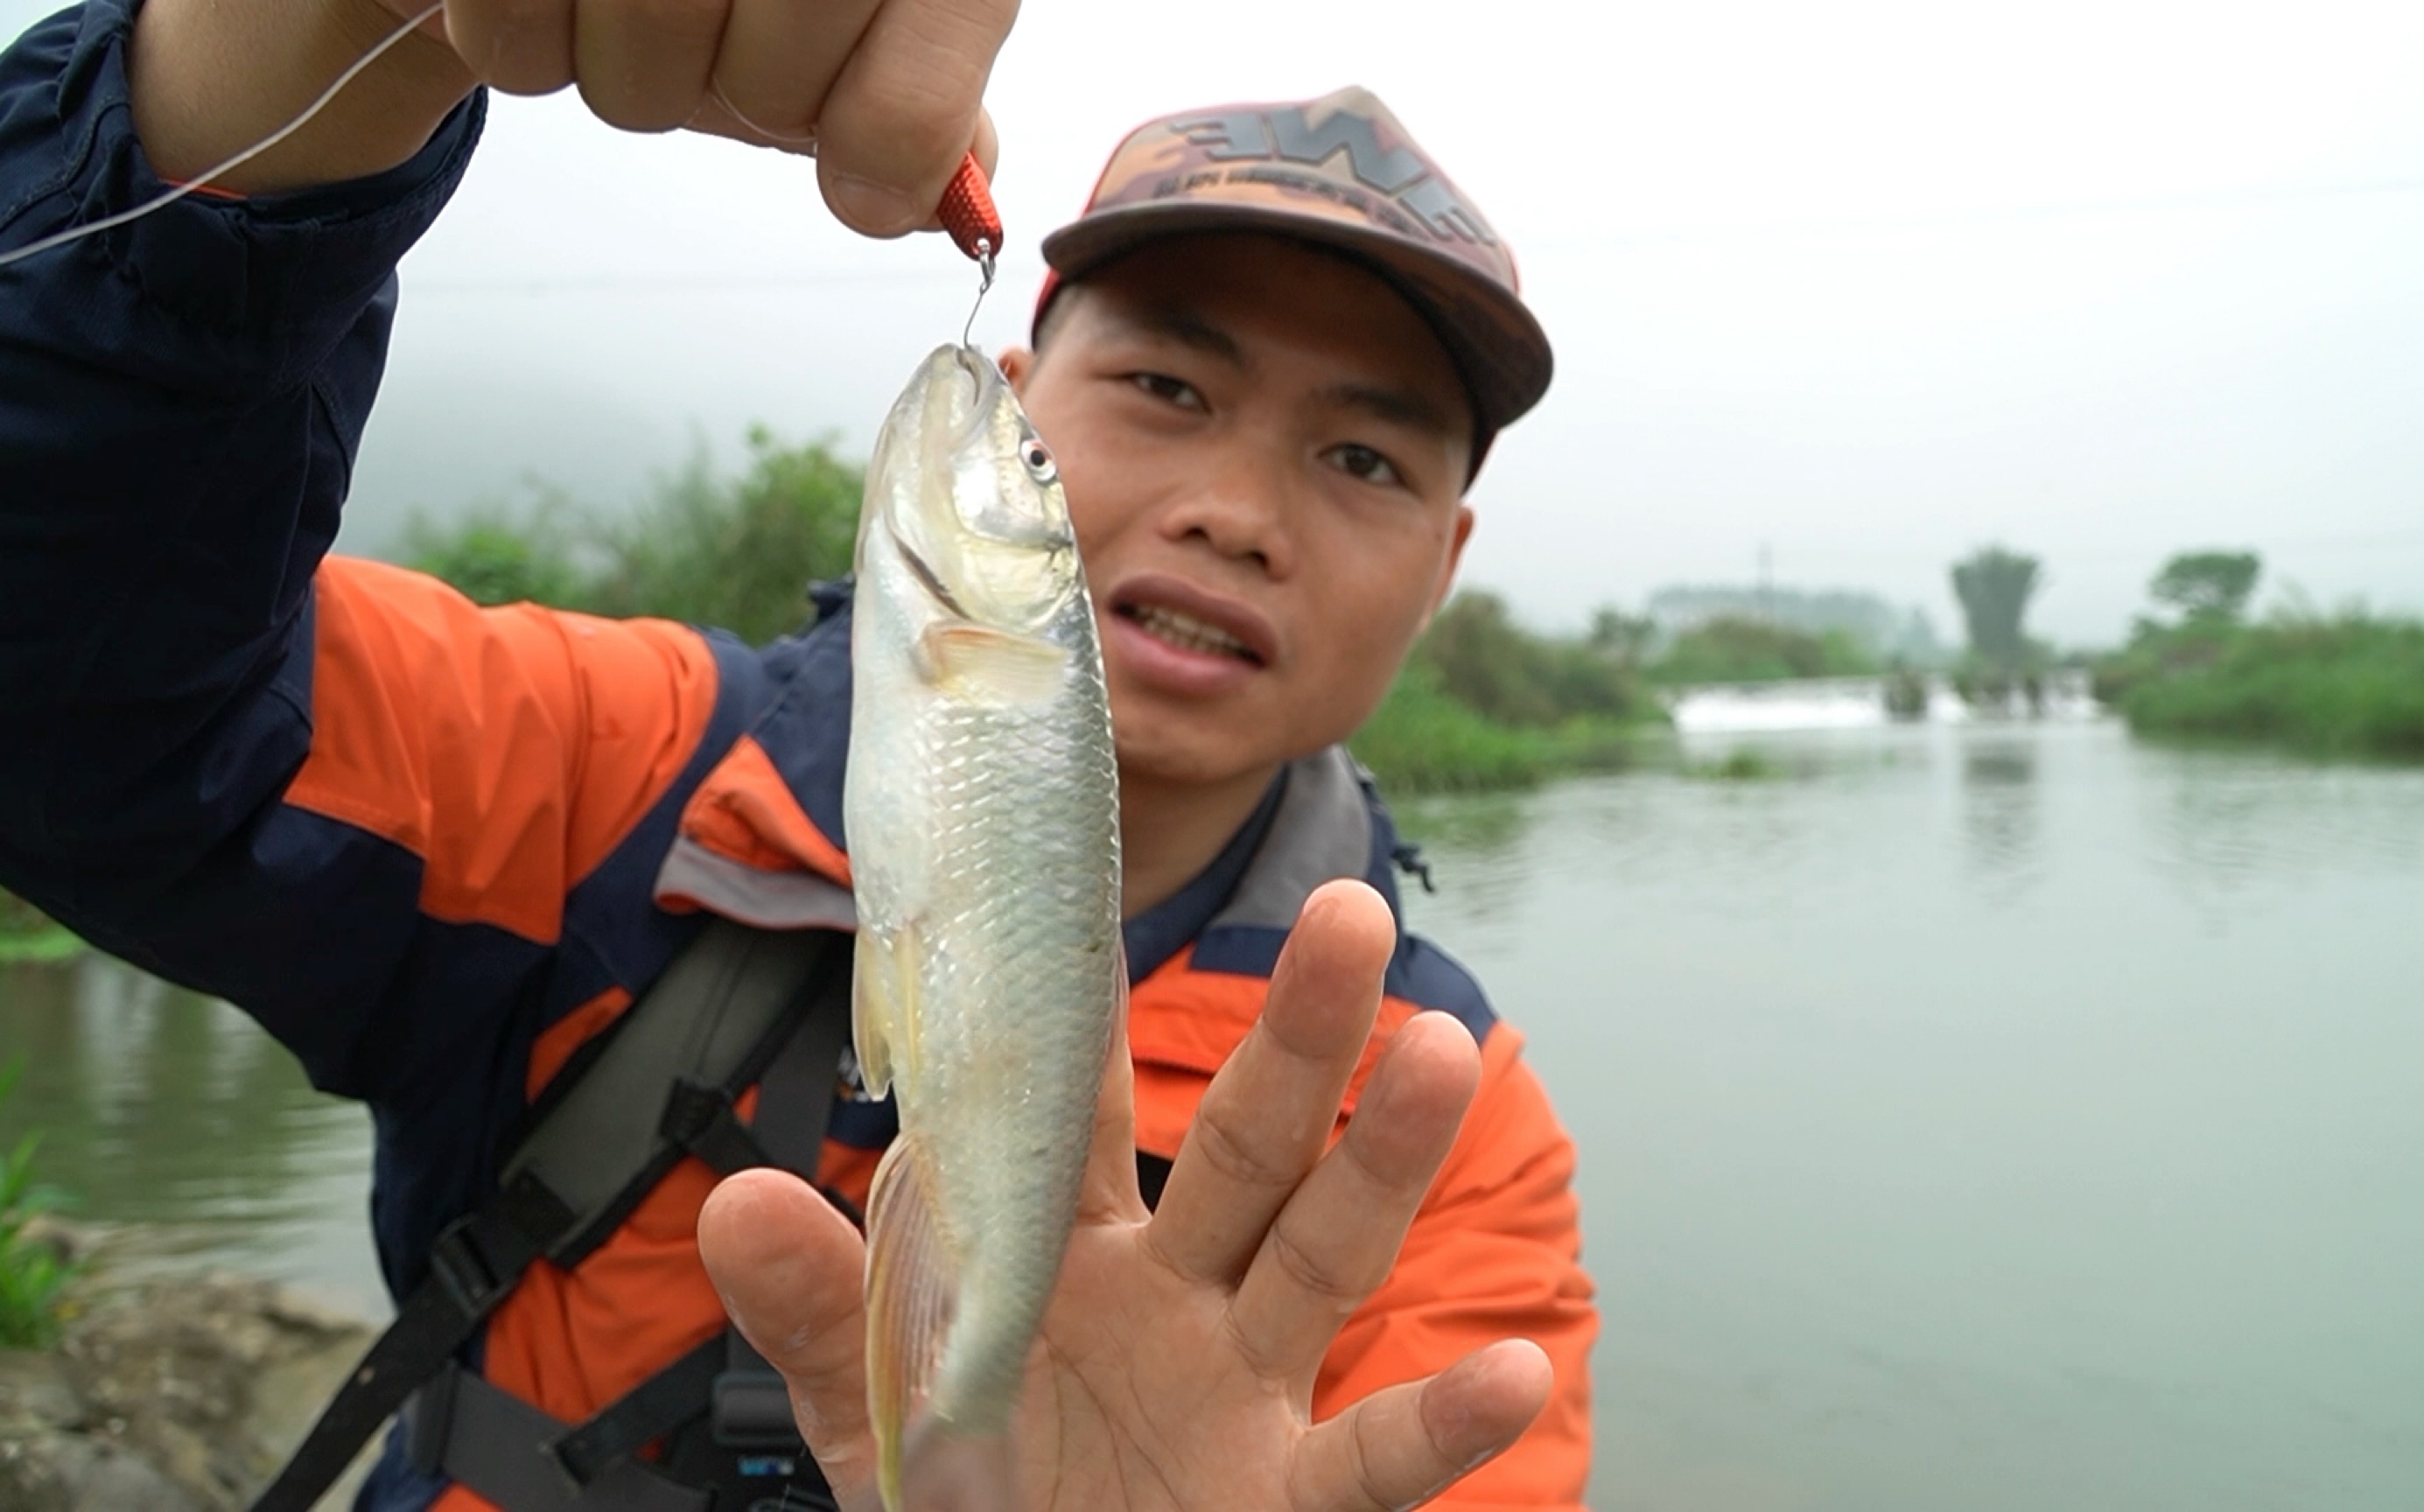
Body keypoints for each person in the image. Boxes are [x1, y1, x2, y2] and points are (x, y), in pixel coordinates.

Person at [0, 0, 1597, 1505]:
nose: (1236, 513)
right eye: (1167, 384)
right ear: (1022, 402)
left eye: (1361, 455)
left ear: (1443, 564)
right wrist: (273, 66)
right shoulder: (609, 770)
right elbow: (82, 690)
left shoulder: (1437, 1129)